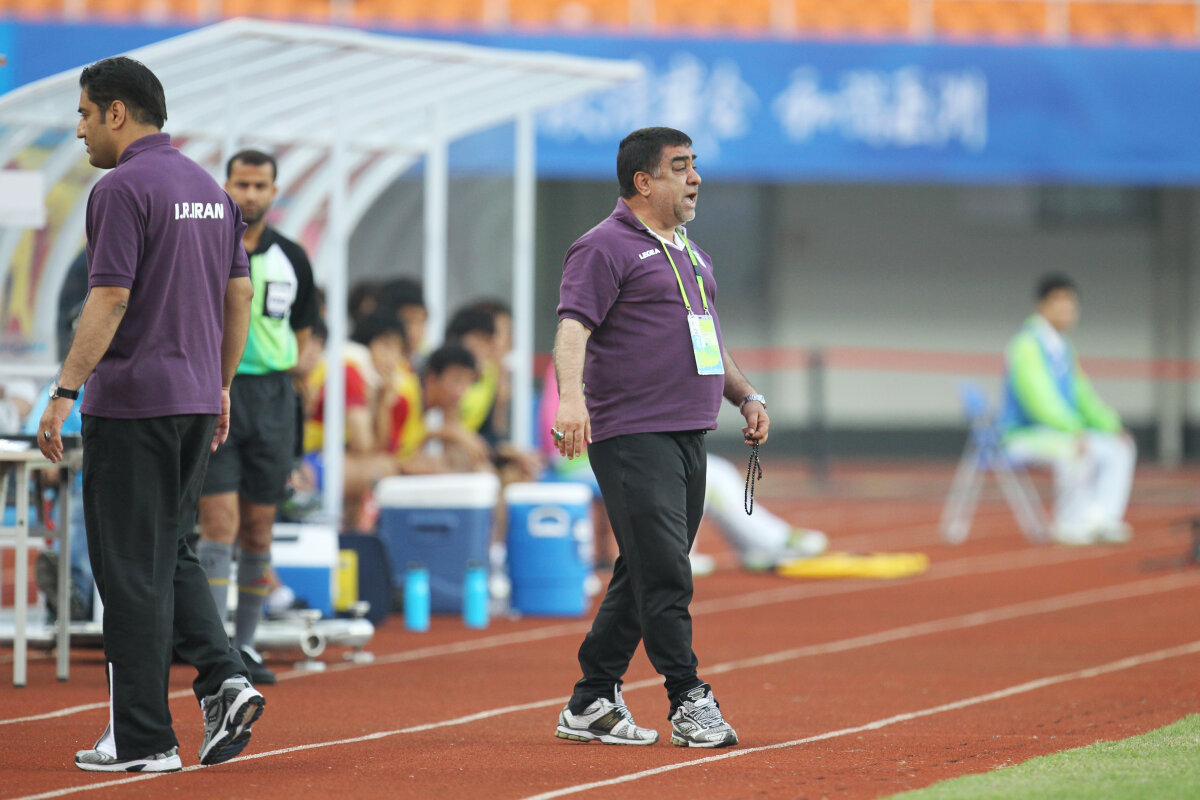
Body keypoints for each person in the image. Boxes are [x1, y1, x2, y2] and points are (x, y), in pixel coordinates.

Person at [37, 56, 263, 772]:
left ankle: (143, 738)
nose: (79, 129)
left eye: (83, 113)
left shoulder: (120, 188)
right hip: (195, 400)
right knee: (168, 550)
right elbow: (240, 297)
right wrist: (220, 385)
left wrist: (64, 391)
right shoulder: (210, 191)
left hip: (133, 404)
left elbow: (109, 298)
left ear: (116, 112)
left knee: (130, 570)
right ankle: (224, 678)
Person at [552, 127, 766, 749]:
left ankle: (591, 700)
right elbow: (573, 327)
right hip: (631, 433)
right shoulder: (602, 245)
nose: (695, 177)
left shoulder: (691, 253)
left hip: (688, 433)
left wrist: (746, 395)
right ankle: (688, 698)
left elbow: (709, 338)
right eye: (680, 166)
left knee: (643, 568)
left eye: (693, 165)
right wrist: (571, 400)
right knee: (667, 570)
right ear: (644, 182)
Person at [195, 149, 319, 686]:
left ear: (273, 191)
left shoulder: (292, 256)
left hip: (273, 398)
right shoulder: (204, 246)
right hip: (217, 390)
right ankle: (211, 649)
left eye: (259, 185)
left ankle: (244, 644)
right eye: (241, 183)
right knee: (218, 523)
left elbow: (305, 330)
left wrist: (292, 374)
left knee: (259, 527)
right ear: (225, 185)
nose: (249, 194)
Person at [1001, 273, 1136, 545]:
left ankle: (1101, 519)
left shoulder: (1063, 348)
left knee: (1121, 447)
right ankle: (1070, 524)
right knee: (1074, 449)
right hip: (1023, 435)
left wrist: (1111, 425)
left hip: (1061, 431)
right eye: (1059, 302)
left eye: (1071, 303)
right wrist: (1074, 429)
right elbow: (1039, 401)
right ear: (1042, 306)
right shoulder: (1026, 345)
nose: (1067, 309)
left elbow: (1083, 396)